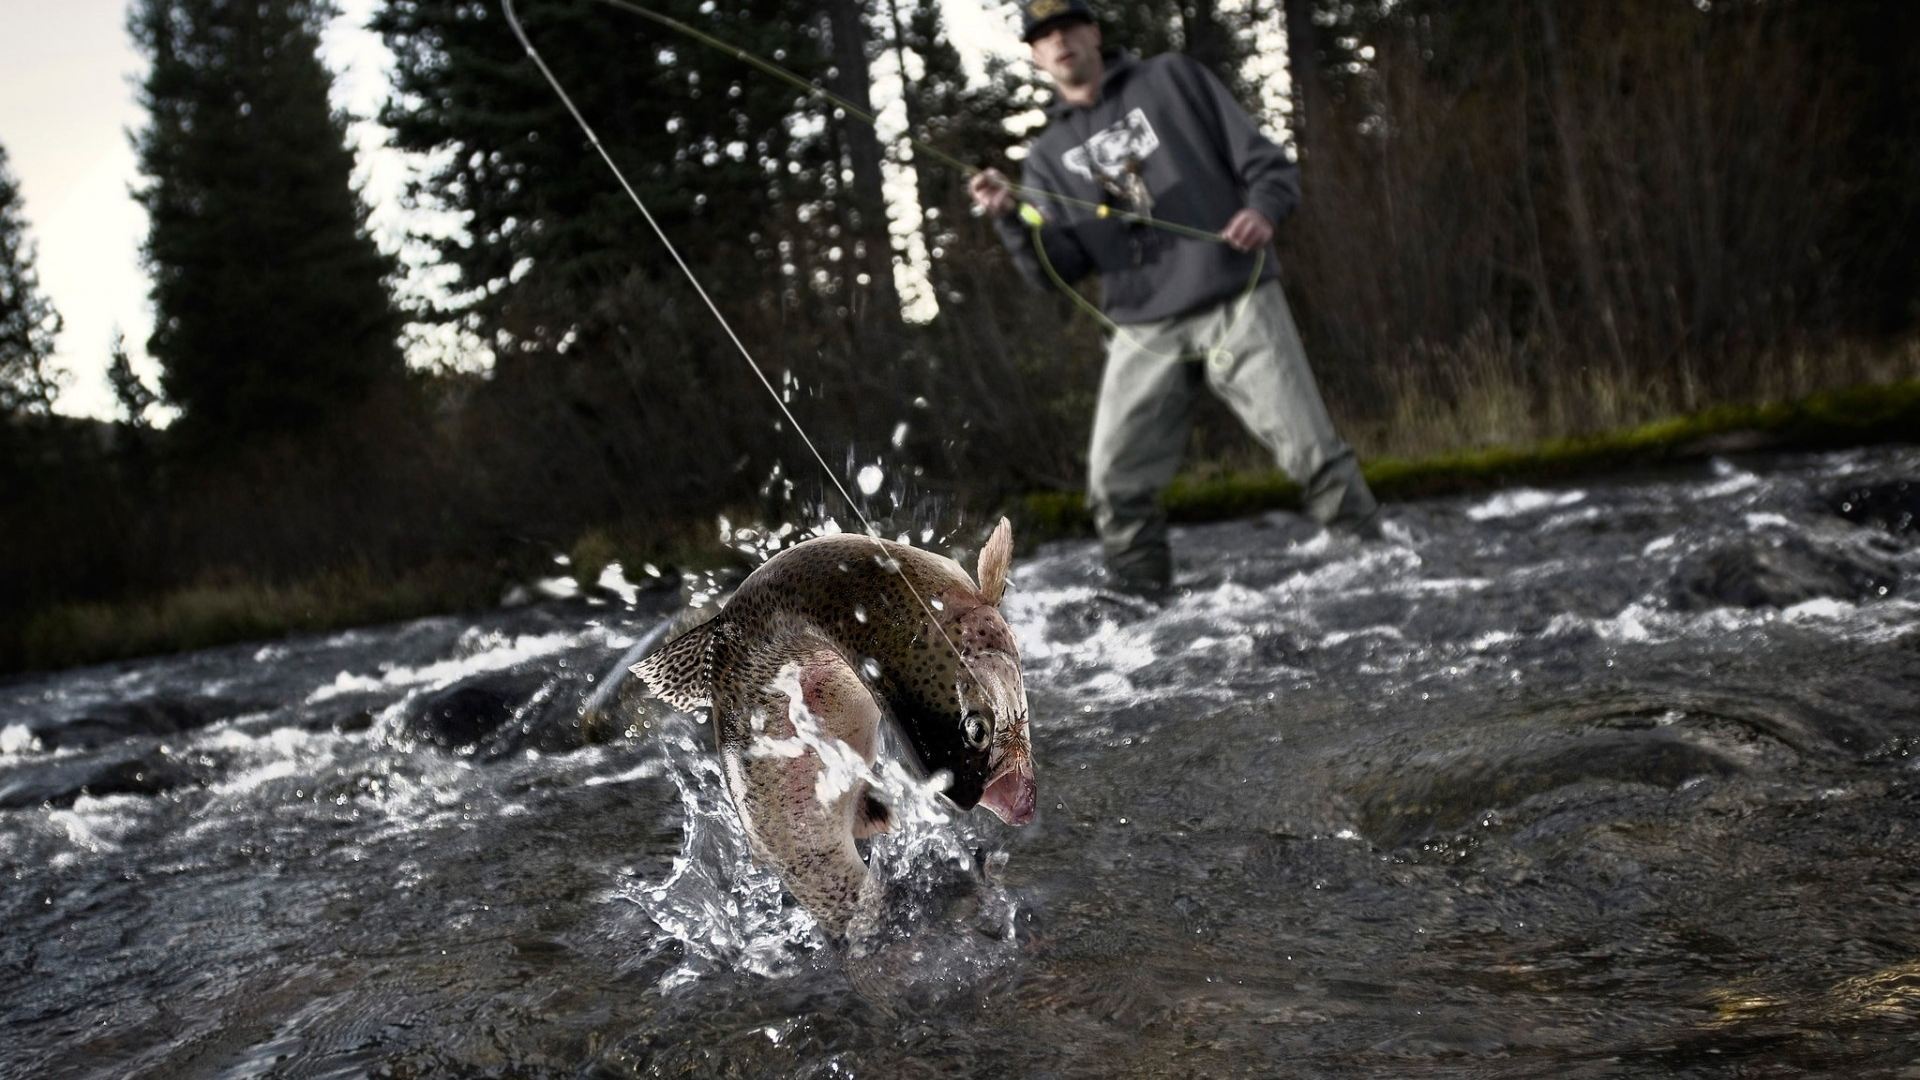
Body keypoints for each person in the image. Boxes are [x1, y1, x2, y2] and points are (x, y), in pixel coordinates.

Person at [969, 0, 1380, 596]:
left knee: (1316, 455)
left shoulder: (1172, 79)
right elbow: (1058, 268)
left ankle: (1381, 577)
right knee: (1115, 490)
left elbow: (1269, 165)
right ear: (1034, 55)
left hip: (1234, 294)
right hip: (1142, 328)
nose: (1059, 41)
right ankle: (1147, 617)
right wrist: (1010, 218)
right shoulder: (1044, 157)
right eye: (1043, 35)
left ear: (1093, 32)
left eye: (1068, 27)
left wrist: (1262, 212)